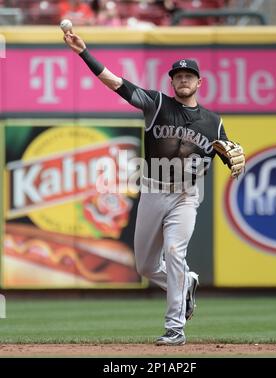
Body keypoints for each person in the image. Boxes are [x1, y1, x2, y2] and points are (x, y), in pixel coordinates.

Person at [62, 30, 245, 345]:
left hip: (187, 196)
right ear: (171, 82)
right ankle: (185, 282)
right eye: (179, 75)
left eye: (189, 75)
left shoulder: (213, 121)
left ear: (199, 82)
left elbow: (224, 153)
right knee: (146, 265)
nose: (184, 79)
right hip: (153, 189)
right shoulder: (157, 104)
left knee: (175, 252)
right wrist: (84, 53)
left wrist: (231, 160)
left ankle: (175, 327)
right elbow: (116, 83)